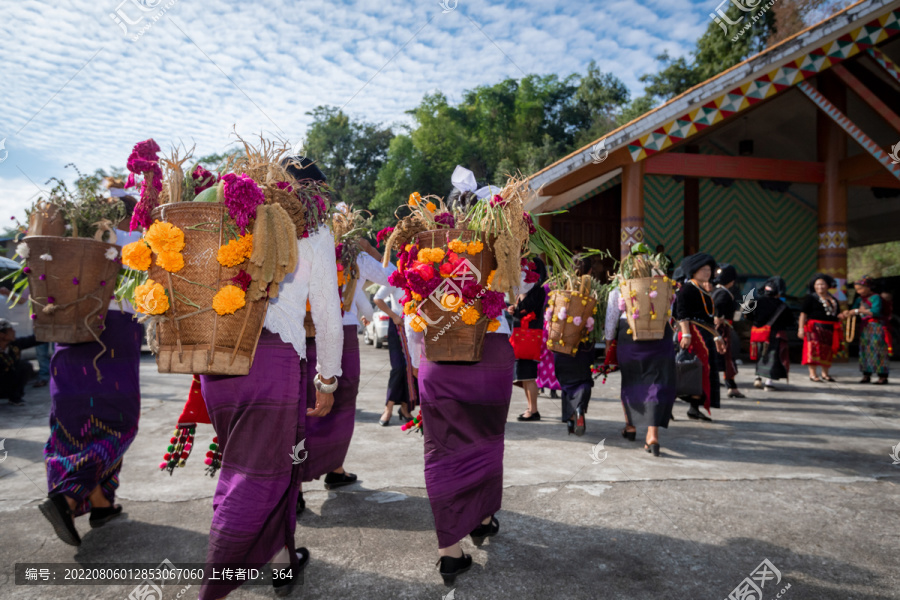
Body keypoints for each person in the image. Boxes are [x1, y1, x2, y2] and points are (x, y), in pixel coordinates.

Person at [198, 158, 343, 599]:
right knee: (255, 478)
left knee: (269, 467)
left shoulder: (226, 222)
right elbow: (328, 318)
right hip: (273, 365)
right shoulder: (314, 230)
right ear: (311, 194)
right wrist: (329, 379)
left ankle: (281, 563)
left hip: (219, 362)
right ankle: (212, 590)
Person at [39, 202, 143, 547]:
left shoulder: (68, 245)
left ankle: (101, 505)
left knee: (73, 427)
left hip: (67, 340)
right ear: (129, 217)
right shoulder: (137, 241)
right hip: (111, 339)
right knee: (119, 424)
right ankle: (67, 498)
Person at [300, 234, 393, 506]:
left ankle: (327, 472)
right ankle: (309, 479)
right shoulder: (352, 253)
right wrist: (372, 250)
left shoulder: (304, 247)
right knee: (334, 407)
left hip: (303, 330)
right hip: (338, 330)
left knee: (305, 409)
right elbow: (393, 276)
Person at [607, 252, 676, 454]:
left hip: (630, 335)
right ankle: (652, 436)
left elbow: (611, 319)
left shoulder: (621, 287)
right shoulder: (664, 287)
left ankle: (630, 426)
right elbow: (672, 312)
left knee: (632, 381)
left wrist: (609, 341)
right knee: (657, 382)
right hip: (660, 335)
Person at [674, 253, 726, 421]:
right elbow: (682, 313)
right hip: (693, 333)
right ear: (694, 271)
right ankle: (667, 404)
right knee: (689, 369)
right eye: (703, 269)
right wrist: (687, 333)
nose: (707, 272)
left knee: (702, 370)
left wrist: (717, 337)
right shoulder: (687, 288)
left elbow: (708, 318)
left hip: (705, 333)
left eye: (709, 269)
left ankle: (694, 407)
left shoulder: (703, 289)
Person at [555, 255, 596, 436]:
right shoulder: (593, 292)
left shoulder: (559, 289)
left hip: (562, 342)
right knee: (583, 380)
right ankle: (579, 409)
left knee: (567, 382)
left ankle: (572, 418)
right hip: (583, 344)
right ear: (589, 272)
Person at [375, 281, 416, 426]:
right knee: (398, 368)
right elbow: (377, 298)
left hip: (416, 326)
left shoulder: (422, 274)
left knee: (412, 369)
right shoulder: (395, 276)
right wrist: (393, 316)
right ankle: (389, 408)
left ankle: (405, 408)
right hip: (398, 326)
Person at [512, 256, 547, 422]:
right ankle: (530, 407)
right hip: (524, 336)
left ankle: (533, 410)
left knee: (529, 375)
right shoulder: (525, 289)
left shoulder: (537, 290)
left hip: (529, 336)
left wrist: (516, 309)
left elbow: (529, 310)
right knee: (524, 375)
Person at [843, 275, 890, 384]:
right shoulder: (859, 299)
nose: (859, 292)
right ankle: (866, 375)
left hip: (876, 327)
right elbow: (854, 310)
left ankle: (882, 376)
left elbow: (876, 311)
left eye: (860, 289)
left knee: (878, 350)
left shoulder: (876, 297)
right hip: (865, 328)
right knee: (865, 351)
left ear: (868, 287)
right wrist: (846, 313)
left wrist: (860, 311)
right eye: (857, 290)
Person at [750, 277, 794, 391]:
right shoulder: (783, 306)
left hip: (758, 334)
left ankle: (757, 377)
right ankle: (768, 383)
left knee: (760, 355)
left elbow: (748, 315)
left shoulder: (756, 301)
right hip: (775, 335)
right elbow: (790, 321)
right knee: (772, 358)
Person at [799, 273, 841, 382]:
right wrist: (800, 328)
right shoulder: (810, 298)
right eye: (817, 284)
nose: (820, 287)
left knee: (827, 350)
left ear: (828, 285)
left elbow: (836, 315)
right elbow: (803, 314)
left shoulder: (833, 299)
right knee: (813, 350)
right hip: (814, 328)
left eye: (822, 284)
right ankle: (813, 374)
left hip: (829, 329)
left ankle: (825, 374)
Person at [712, 264, 745, 398]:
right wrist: (719, 318)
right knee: (727, 356)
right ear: (731, 281)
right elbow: (718, 307)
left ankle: (731, 385)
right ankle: (731, 386)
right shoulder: (723, 293)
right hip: (722, 329)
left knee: (725, 358)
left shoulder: (715, 290)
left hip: (719, 329)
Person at [0, 318, 38, 405]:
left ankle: (15, 397)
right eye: (10, 330)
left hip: (6, 384)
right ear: (2, 334)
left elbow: (34, 340)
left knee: (24, 366)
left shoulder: (14, 345)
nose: (14, 332)